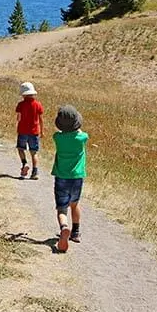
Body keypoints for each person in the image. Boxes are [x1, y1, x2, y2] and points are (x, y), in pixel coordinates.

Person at [51, 105, 89, 253]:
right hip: (77, 177)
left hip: (61, 177)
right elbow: (82, 133)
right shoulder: (82, 138)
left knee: (61, 208)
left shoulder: (58, 138)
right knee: (75, 204)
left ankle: (64, 227)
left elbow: (59, 133)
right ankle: (76, 232)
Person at [15, 81, 44, 180]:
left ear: (23, 94)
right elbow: (40, 119)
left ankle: (24, 163)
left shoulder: (21, 104)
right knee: (34, 152)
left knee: (20, 148)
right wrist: (42, 130)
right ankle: (35, 172)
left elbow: (18, 117)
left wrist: (17, 124)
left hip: (23, 130)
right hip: (34, 131)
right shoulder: (38, 105)